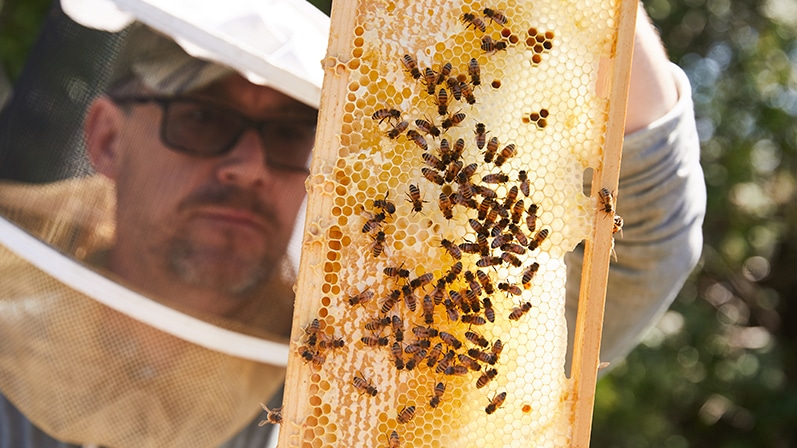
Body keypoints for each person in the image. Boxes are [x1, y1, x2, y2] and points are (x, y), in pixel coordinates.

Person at [0, 2, 705, 447]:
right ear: (109, 139)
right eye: (203, 119)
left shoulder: (377, 353)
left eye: (287, 135)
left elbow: (639, 247)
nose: (247, 166)